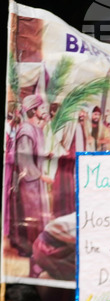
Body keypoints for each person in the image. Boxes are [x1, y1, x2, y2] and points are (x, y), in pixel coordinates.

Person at [11, 95, 52, 257]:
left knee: (38, 215)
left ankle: (37, 248)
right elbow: (24, 160)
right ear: (34, 110)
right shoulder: (26, 131)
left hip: (35, 181)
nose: (45, 110)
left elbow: (34, 151)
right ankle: (28, 249)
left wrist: (45, 155)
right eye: (41, 107)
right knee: (30, 216)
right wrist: (42, 177)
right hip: (28, 183)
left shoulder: (35, 129)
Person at [52, 108, 90, 218]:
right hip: (67, 160)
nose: (82, 114)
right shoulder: (67, 123)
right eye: (80, 111)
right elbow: (58, 139)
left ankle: (73, 210)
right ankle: (63, 211)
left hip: (77, 160)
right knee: (65, 185)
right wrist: (64, 151)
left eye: (84, 112)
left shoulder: (82, 126)